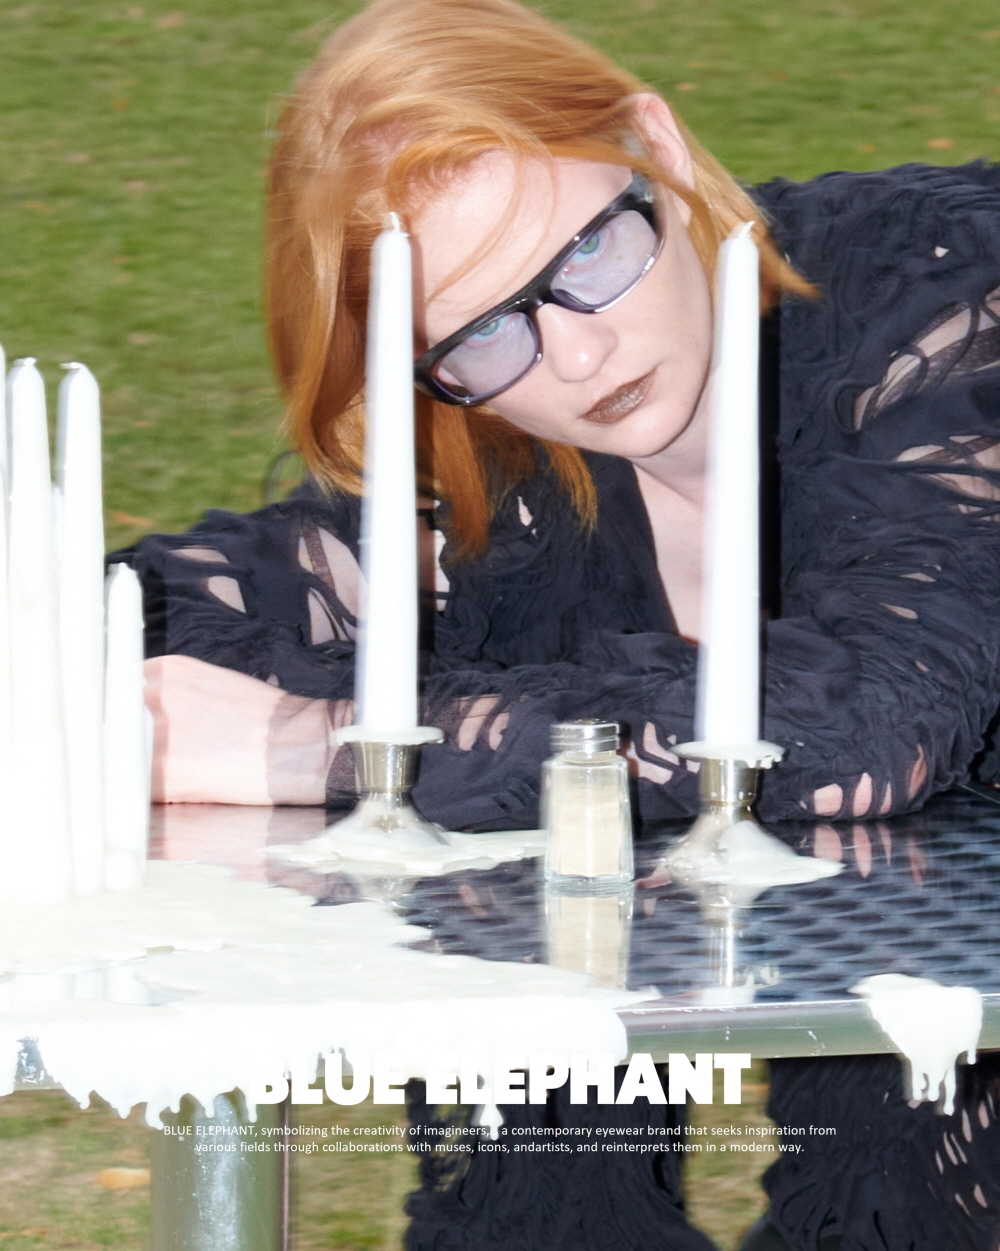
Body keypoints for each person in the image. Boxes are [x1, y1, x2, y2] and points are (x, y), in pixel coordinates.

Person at [121, 0, 1000, 1246]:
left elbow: (867, 726)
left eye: (588, 257)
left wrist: (330, 746)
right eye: (481, 335)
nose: (575, 360)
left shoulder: (944, 300)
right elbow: (171, 601)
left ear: (659, 147)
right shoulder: (514, 484)